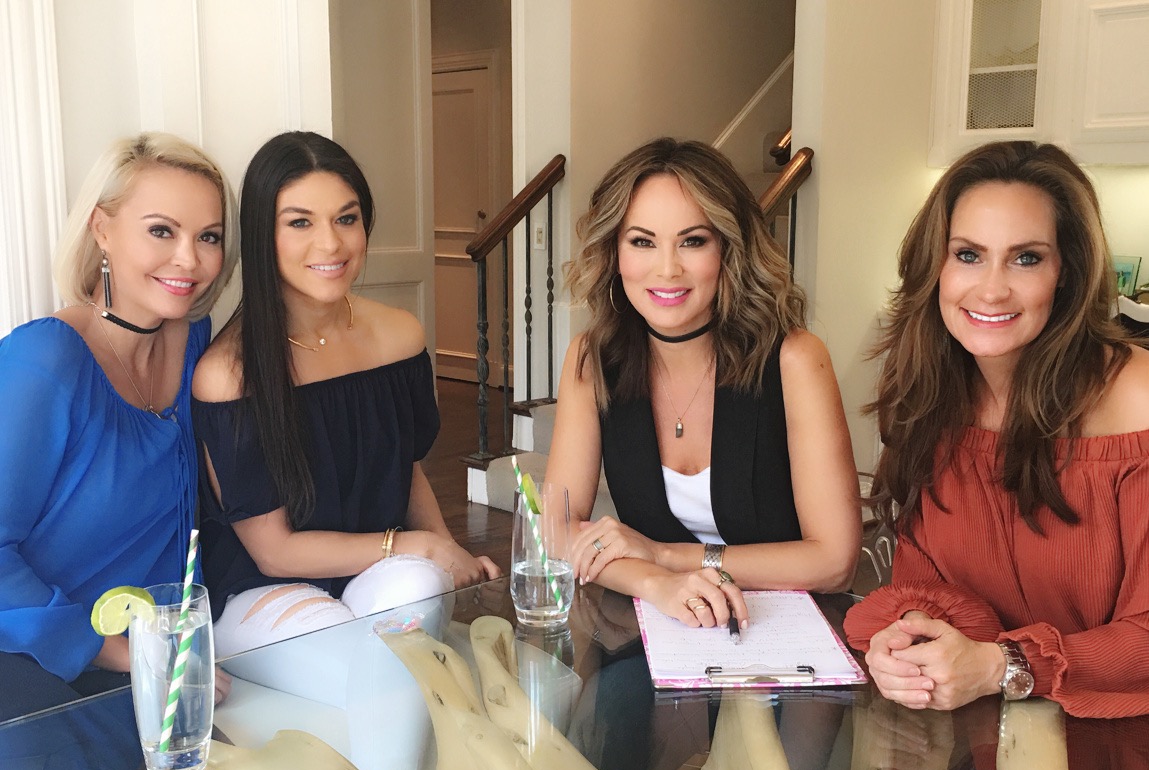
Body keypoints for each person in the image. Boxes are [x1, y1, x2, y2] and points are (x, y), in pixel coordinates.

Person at [844, 141, 1149, 718]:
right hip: (988, 743)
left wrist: (1002, 665)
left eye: (1026, 258)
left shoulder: (1137, 398)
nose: (991, 289)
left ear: (1067, 273)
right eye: (968, 255)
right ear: (934, 264)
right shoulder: (928, 393)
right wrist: (910, 635)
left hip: (1124, 751)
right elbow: (928, 585)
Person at [192, 131, 500, 658]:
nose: (331, 244)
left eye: (347, 218)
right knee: (353, 646)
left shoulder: (399, 336)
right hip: (264, 589)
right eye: (300, 222)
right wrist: (410, 545)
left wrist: (443, 547)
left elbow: (405, 468)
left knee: (423, 589)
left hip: (373, 569)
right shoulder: (227, 375)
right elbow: (274, 553)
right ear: (263, 235)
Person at [544, 137, 861, 629]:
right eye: (642, 241)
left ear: (728, 248)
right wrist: (655, 584)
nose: (667, 268)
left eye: (693, 240)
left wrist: (666, 556)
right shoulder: (592, 360)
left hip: (782, 629)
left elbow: (835, 561)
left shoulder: (795, 360)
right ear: (615, 251)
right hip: (655, 623)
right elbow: (559, 529)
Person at [0, 133, 238, 721]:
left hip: (173, 657)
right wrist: (125, 655)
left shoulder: (200, 350)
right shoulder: (45, 360)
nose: (190, 259)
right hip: (43, 666)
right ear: (102, 229)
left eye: (207, 236)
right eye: (162, 230)